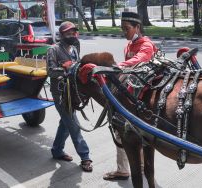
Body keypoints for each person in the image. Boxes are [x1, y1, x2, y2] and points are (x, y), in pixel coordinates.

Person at [103, 12, 157, 180]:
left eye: (127, 29)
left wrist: (118, 66)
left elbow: (140, 60)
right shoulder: (128, 46)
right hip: (131, 94)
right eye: (122, 29)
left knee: (126, 134)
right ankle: (131, 167)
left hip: (145, 97)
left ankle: (129, 168)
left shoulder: (146, 45)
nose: (124, 32)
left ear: (137, 27)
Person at [46, 21, 93, 172]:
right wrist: (67, 69)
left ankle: (57, 151)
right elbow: (50, 71)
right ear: (61, 35)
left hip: (72, 92)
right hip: (60, 94)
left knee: (65, 123)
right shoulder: (53, 50)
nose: (72, 35)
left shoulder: (74, 49)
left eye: (73, 33)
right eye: (68, 33)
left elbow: (78, 68)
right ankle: (85, 157)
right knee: (73, 124)